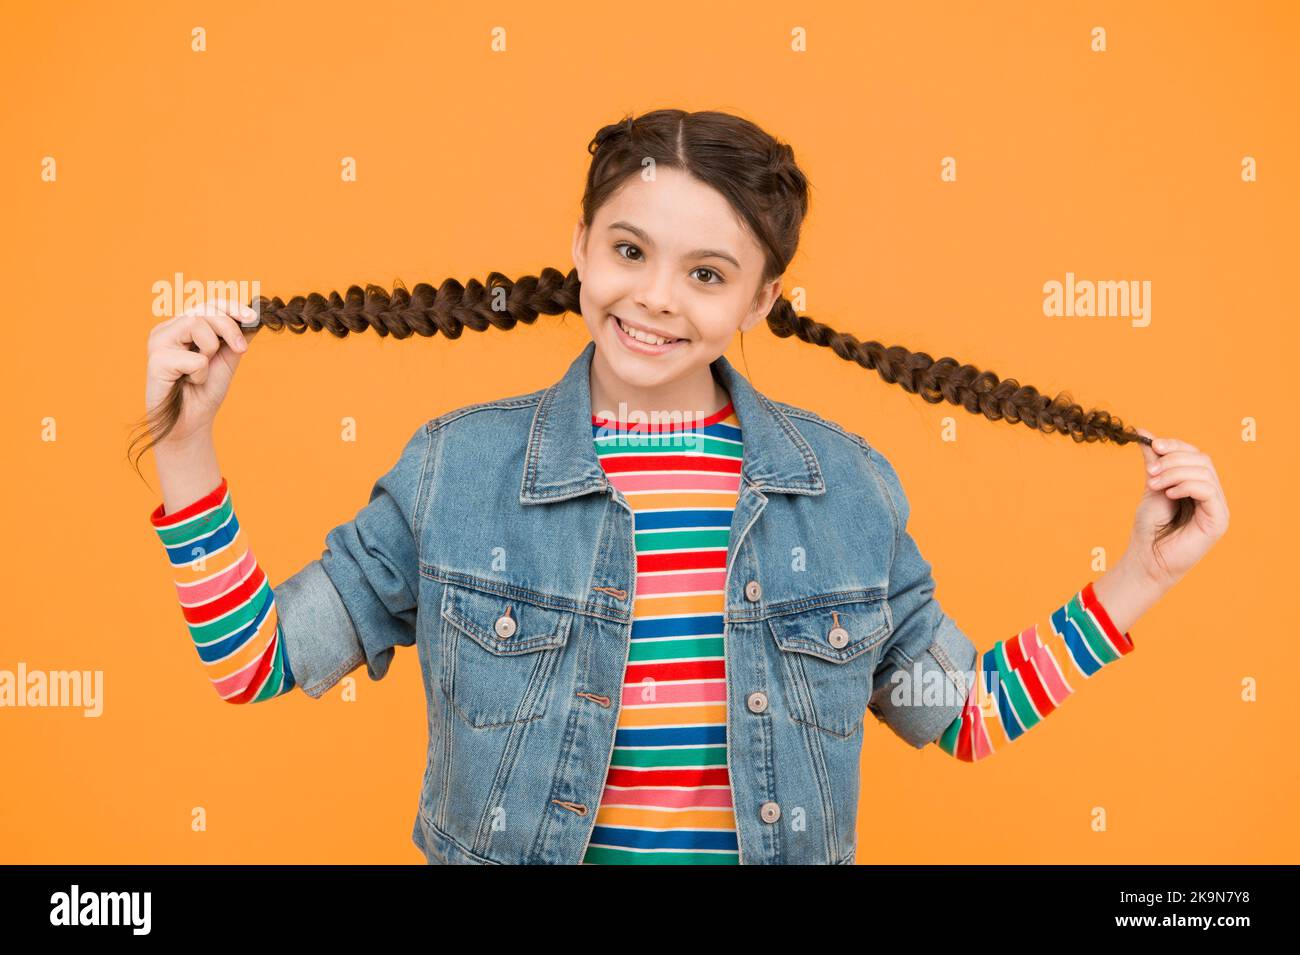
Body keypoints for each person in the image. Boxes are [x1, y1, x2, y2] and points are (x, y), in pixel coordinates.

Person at [137, 110, 1230, 864]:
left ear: (761, 299)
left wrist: (1140, 573)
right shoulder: (455, 471)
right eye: (628, 249)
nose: (656, 300)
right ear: (578, 247)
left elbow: (963, 717)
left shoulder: (844, 488)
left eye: (707, 274)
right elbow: (256, 663)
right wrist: (188, 450)